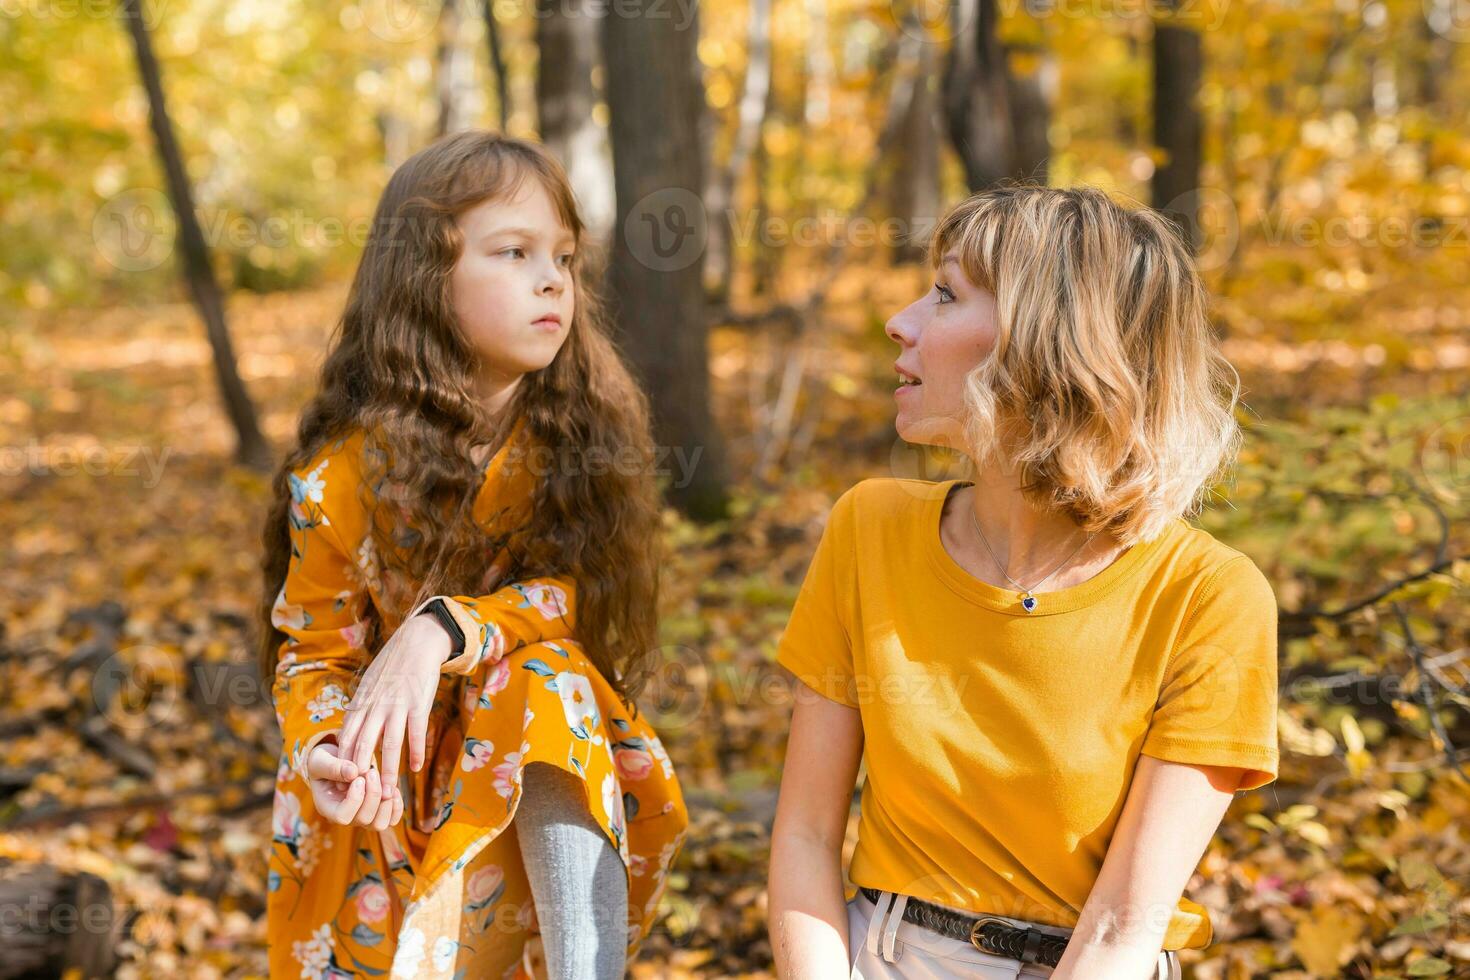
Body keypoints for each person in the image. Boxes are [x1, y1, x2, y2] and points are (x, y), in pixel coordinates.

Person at [767, 185, 1280, 979]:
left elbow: (1121, 927)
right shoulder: (868, 529)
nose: (898, 321)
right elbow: (803, 837)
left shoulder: (1209, 596)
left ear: (1052, 344)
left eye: (944, 295)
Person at [258, 131, 688, 979]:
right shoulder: (338, 478)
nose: (552, 280)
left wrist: (444, 629)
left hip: (533, 784)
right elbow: (311, 653)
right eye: (514, 251)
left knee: (547, 677)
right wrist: (323, 752)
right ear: (425, 277)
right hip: (385, 801)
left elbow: (578, 601)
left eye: (563, 256)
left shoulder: (579, 444)